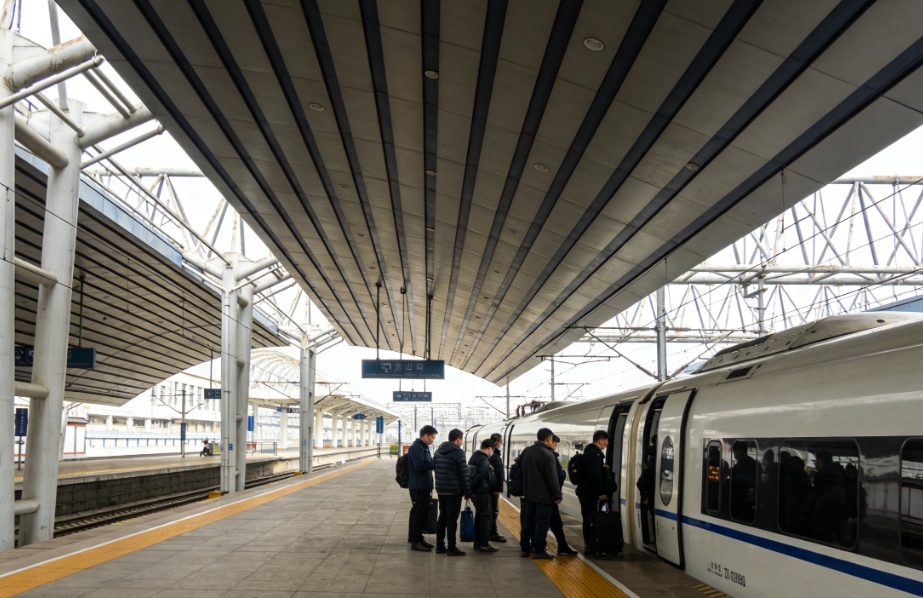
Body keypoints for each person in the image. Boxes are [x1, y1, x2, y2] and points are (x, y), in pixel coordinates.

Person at [519, 428, 562, 560]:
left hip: (528, 494)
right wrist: (557, 495)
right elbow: (552, 478)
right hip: (544, 496)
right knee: (542, 523)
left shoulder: (526, 451)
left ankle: (525, 549)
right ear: (549, 438)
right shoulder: (548, 455)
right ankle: (539, 550)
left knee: (528, 522)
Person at [433, 428, 472, 556]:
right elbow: (463, 475)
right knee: (452, 520)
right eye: (461, 440)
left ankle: (439, 546)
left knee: (442, 517)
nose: (461, 442)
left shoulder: (438, 451)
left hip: (441, 490)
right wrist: (468, 493)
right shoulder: (458, 453)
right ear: (458, 439)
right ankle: (451, 548)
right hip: (454, 491)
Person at [576, 430, 613, 557]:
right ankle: (590, 543)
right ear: (600, 440)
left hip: (585, 492)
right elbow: (595, 475)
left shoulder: (590, 453)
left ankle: (590, 542)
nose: (607, 444)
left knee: (588, 517)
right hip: (589, 493)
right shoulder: (594, 455)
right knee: (589, 518)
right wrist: (601, 492)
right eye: (606, 441)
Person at [407, 425, 438, 551]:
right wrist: (434, 463)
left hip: (423, 486)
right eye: (432, 437)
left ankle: (418, 538)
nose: (433, 440)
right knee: (419, 513)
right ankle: (415, 541)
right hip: (418, 486)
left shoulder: (423, 448)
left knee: (421, 513)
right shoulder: (416, 448)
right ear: (425, 435)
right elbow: (419, 466)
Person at [550, 435, 578, 555]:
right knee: (555, 523)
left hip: (532, 496)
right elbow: (558, 476)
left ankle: (530, 546)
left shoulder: (529, 453)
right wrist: (557, 495)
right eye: (556, 444)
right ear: (551, 441)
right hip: (549, 497)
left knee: (535, 521)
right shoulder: (551, 456)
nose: (556, 446)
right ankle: (562, 547)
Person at [469, 438, 498, 552]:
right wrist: (471, 489)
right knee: (485, 517)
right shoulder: (483, 459)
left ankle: (478, 542)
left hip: (477, 492)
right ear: (489, 448)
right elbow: (481, 475)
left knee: (480, 517)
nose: (491, 453)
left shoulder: (475, 456)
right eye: (492, 450)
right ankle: (484, 543)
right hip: (482, 492)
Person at [730, 441, 757, 522]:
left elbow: (736, 480)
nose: (734, 454)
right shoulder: (754, 463)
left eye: (735, 452)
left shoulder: (741, 465)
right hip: (750, 498)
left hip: (741, 497)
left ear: (740, 451)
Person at [637, 435, 657, 545]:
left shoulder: (652, 461)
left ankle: (656, 542)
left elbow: (641, 482)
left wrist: (644, 496)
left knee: (654, 517)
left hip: (652, 497)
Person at [488, 433, 507, 544]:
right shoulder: (494, 457)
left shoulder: (491, 455)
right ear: (496, 442)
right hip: (492, 490)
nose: (502, 442)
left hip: (489, 488)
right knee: (493, 511)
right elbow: (497, 474)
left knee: (490, 512)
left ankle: (491, 532)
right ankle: (492, 533)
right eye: (501, 440)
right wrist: (497, 489)